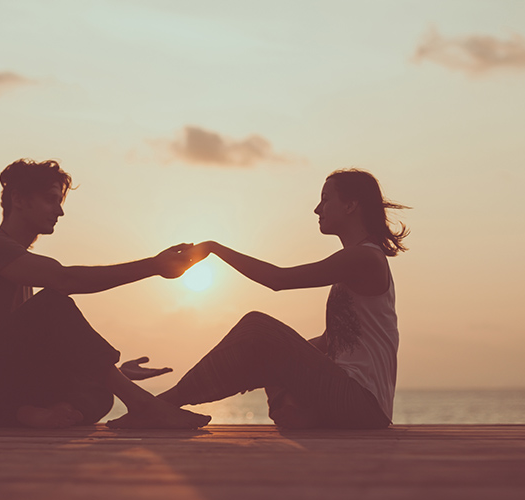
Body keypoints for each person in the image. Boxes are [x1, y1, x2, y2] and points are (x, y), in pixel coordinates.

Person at [108, 169, 409, 429]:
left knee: (257, 328)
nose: (318, 209)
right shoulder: (358, 261)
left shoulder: (364, 258)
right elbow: (334, 341)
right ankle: (298, 410)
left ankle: (158, 405)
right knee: (264, 348)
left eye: (326, 199)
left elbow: (279, 280)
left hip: (362, 403)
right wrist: (253, 364)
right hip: (352, 400)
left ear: (351, 205)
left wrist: (214, 249)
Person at [0, 158, 211, 429]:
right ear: (18, 200)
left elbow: (31, 351)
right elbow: (65, 279)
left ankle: (28, 415)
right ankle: (143, 406)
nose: (59, 211)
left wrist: (112, 373)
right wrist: (154, 266)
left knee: (101, 395)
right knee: (53, 303)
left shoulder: (21, 266)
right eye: (50, 199)